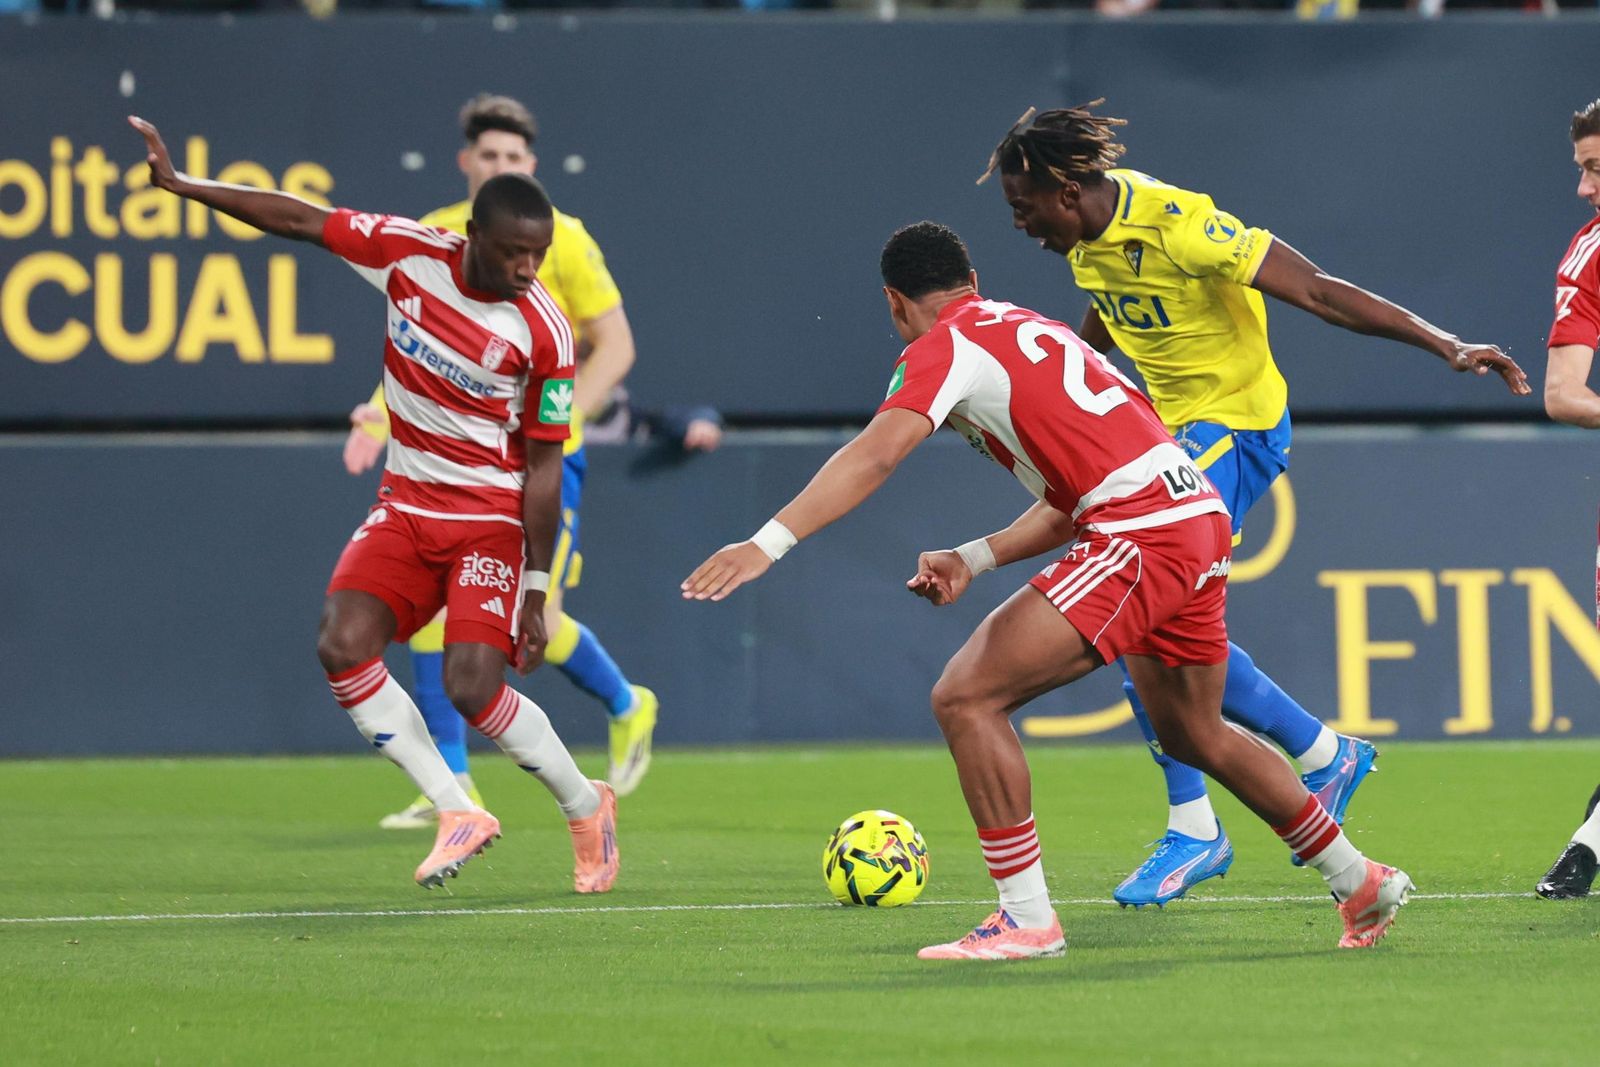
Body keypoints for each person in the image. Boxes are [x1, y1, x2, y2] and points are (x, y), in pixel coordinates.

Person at [683, 221, 1413, 957]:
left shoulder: (943, 345)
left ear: (895, 302)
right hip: (1193, 517)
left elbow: (878, 452)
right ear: (969, 280)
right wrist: (974, 554)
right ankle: (1358, 878)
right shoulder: (1039, 329)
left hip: (1142, 531)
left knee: (966, 695)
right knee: (1195, 730)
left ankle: (1026, 917)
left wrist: (766, 542)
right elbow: (1078, 492)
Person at [983, 104, 1530, 906]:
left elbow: (1315, 289)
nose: (1020, 224)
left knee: (1128, 598)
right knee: (1148, 629)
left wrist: (1442, 342)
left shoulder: (1180, 224)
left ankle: (1200, 822)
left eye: (1022, 206)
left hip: (1234, 428)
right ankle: (1316, 753)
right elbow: (1110, 309)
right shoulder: (1086, 244)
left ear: (1066, 191)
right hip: (1167, 436)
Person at [127, 115, 619, 894]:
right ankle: (457, 808)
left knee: (471, 684)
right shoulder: (409, 253)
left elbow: (546, 468)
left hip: (490, 521)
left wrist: (534, 587)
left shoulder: (545, 334)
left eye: (539, 254)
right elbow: (299, 217)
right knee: (341, 642)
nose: (529, 268)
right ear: (471, 238)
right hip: (408, 504)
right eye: (513, 252)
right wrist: (186, 187)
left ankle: (584, 804)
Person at [344, 94, 658, 830]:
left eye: (514, 158)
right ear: (467, 164)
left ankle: (625, 700)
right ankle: (453, 785)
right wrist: (376, 410)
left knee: (533, 619)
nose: (502, 166)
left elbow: (617, 344)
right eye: (489, 156)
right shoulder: (440, 233)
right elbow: (420, 345)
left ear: (531, 166)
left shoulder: (566, 240)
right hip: (455, 463)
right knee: (431, 617)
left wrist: (559, 417)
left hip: (545, 460)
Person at [1535, 98, 1600, 901]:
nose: (1586, 189)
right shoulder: (1591, 257)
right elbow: (1563, 393)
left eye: (1598, 171)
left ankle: (1586, 846)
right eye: (1583, 170)